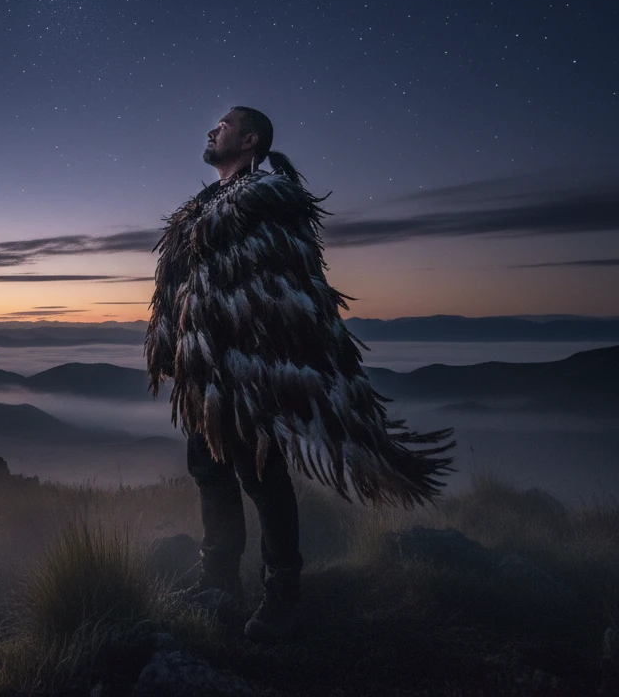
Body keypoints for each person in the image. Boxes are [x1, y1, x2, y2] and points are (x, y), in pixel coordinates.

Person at [145, 106, 456, 642]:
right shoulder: (199, 209)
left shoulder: (267, 203)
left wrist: (269, 357)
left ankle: (282, 594)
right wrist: (176, 346)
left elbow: (289, 290)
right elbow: (182, 291)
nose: (210, 130)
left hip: (253, 372)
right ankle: (218, 581)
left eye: (221, 125)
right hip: (206, 373)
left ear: (249, 140)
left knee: (261, 478)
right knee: (209, 471)